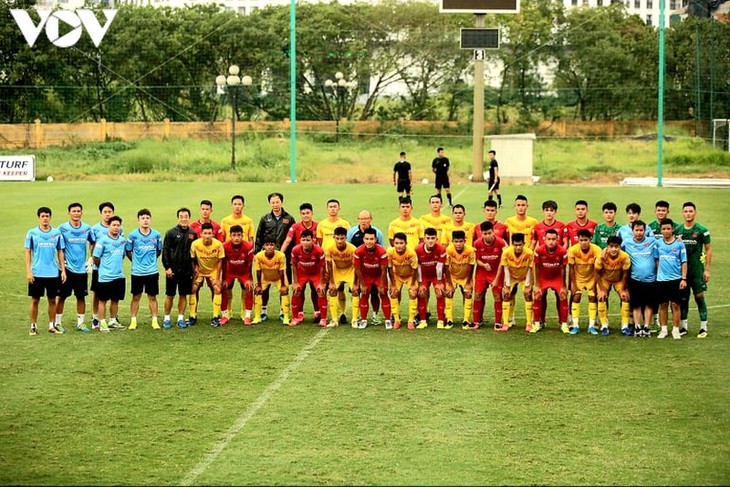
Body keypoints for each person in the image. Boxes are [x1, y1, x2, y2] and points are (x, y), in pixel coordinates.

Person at [25, 206, 66, 336]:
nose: (45, 218)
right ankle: (33, 325)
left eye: (47, 216)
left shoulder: (56, 233)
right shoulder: (32, 233)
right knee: (35, 300)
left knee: (52, 300)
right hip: (37, 272)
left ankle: (52, 325)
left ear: (50, 217)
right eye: (42, 216)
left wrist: (63, 270)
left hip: (53, 272)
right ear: (39, 218)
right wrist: (29, 271)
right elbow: (28, 252)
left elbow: (60, 251)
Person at [254, 192, 295, 321]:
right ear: (269, 204)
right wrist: (256, 252)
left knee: (283, 284)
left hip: (283, 257)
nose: (275, 205)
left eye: (277, 202)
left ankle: (283, 311)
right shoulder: (265, 219)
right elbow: (259, 236)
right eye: (273, 202)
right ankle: (263, 310)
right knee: (264, 285)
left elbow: (292, 239)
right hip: (267, 257)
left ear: (281, 202)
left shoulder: (289, 218)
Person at [56, 202, 95, 333]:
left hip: (81, 269)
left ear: (82, 213)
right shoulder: (62, 228)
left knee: (81, 296)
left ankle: (81, 323)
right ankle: (57, 323)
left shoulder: (87, 228)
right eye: (74, 211)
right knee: (62, 296)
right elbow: (58, 247)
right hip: (66, 269)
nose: (76, 213)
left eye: (79, 211)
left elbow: (93, 242)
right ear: (69, 213)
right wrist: (61, 264)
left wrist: (91, 259)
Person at [281, 202, 320, 322]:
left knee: (315, 289)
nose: (305, 215)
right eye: (303, 213)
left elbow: (321, 243)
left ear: (312, 213)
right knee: (299, 289)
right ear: (300, 214)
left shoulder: (318, 226)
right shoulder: (295, 227)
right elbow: (288, 240)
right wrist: (280, 255)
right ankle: (300, 313)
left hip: (315, 263)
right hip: (300, 264)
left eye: (308, 213)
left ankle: (317, 312)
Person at [678, 202, 711, 338]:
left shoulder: (702, 230)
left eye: (691, 211)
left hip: (697, 270)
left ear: (695, 212)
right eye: (686, 211)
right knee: (683, 298)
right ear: (682, 213)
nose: (688, 214)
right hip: (682, 272)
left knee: (699, 297)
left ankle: (703, 327)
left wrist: (707, 270)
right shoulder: (678, 230)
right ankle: (683, 327)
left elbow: (708, 250)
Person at [125, 209, 162, 330]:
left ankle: (154, 320)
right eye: (143, 218)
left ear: (150, 220)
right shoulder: (133, 235)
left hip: (152, 271)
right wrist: (136, 262)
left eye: (147, 218)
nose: (145, 220)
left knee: (152, 296)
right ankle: (133, 320)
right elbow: (128, 250)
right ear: (138, 220)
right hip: (137, 272)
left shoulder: (156, 235)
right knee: (136, 296)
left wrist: (151, 261)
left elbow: (159, 250)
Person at [621, 220, 658, 337]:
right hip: (635, 279)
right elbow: (617, 252)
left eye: (641, 230)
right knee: (636, 305)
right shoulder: (626, 243)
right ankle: (637, 327)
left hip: (651, 279)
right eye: (636, 230)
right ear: (632, 231)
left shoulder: (652, 241)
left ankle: (646, 327)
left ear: (645, 231)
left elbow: (664, 244)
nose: (639, 233)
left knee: (649, 305)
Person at [90, 202, 124, 329]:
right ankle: (95, 317)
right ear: (101, 213)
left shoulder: (120, 232)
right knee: (97, 294)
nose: (108, 214)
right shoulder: (95, 229)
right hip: (99, 268)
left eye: (110, 212)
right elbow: (93, 248)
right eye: (105, 212)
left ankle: (112, 319)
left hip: (115, 269)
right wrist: (98, 264)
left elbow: (121, 250)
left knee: (114, 296)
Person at [347, 209, 385, 324]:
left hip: (374, 269)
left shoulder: (377, 232)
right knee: (357, 291)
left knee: (374, 293)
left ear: (370, 219)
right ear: (358, 220)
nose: (364, 221)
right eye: (361, 219)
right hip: (358, 269)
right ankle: (358, 314)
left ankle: (375, 315)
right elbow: (349, 248)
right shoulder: (352, 232)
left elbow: (381, 251)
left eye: (366, 218)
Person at [161, 207, 197, 329]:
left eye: (186, 216)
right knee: (170, 295)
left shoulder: (193, 234)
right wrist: (167, 267)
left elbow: (195, 253)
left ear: (189, 218)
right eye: (181, 217)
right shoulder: (171, 233)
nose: (183, 219)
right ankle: (167, 318)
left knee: (183, 295)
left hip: (187, 270)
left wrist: (195, 267)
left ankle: (181, 318)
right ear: (178, 218)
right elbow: (165, 250)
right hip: (173, 270)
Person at [655, 219, 688, 340]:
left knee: (675, 305)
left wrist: (683, 278)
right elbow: (656, 259)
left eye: (668, 228)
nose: (666, 231)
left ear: (672, 229)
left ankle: (675, 329)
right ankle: (663, 330)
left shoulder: (680, 244)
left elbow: (684, 262)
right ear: (661, 230)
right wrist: (659, 274)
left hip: (676, 279)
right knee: (663, 305)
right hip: (662, 280)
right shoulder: (658, 243)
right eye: (663, 229)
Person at [353, 228, 392, 329]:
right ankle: (364, 320)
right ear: (363, 239)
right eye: (367, 239)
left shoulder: (382, 251)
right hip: (366, 275)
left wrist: (382, 284)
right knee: (364, 294)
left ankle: (387, 320)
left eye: (371, 239)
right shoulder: (358, 251)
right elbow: (357, 269)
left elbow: (384, 270)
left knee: (383, 294)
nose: (369, 242)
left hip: (379, 275)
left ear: (376, 239)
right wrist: (362, 284)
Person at [531, 228, 568, 334]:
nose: (551, 241)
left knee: (563, 295)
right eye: (548, 239)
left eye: (553, 239)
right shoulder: (538, 251)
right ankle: (537, 323)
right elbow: (537, 267)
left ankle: (564, 324)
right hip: (543, 278)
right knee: (538, 295)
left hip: (557, 278)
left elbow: (563, 269)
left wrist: (563, 286)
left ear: (557, 239)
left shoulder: (562, 251)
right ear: (544, 239)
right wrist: (537, 285)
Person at [189, 223, 225, 327]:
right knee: (193, 289)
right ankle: (192, 316)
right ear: (201, 234)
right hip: (200, 269)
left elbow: (219, 261)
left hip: (213, 270)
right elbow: (192, 259)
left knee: (217, 289)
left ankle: (215, 316)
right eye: (205, 233)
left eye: (209, 233)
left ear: (213, 234)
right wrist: (194, 270)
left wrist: (218, 278)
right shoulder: (195, 244)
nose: (207, 235)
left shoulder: (218, 245)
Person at [594, 236, 631, 335]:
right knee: (601, 297)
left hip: (618, 280)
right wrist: (601, 289)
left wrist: (623, 289)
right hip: (605, 279)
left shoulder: (624, 257)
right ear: (608, 247)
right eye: (611, 246)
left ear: (620, 247)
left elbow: (625, 274)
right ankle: (604, 325)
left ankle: (625, 326)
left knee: (625, 297)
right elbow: (596, 273)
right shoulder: (601, 256)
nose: (614, 249)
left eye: (616, 246)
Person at [567, 229, 602, 335]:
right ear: (578, 240)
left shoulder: (596, 250)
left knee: (592, 297)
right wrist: (573, 284)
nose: (583, 242)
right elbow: (571, 268)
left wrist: (596, 283)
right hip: (578, 278)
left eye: (585, 240)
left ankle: (592, 326)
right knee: (576, 297)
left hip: (592, 277)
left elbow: (598, 269)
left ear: (590, 239)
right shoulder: (573, 250)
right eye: (581, 240)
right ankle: (575, 325)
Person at [472, 221, 506, 329]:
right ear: (481, 233)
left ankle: (497, 322)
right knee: (478, 294)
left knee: (497, 295)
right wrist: (483, 264)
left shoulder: (501, 243)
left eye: (489, 233)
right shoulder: (477, 243)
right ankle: (477, 321)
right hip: (482, 272)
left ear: (493, 232)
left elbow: (504, 261)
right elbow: (476, 259)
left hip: (497, 271)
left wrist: (497, 278)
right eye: (485, 234)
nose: (487, 236)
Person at [290, 230, 327, 327]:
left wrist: (322, 283)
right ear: (300, 240)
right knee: (296, 290)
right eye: (303, 240)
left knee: (320, 291)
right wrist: (296, 282)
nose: (305, 242)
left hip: (316, 273)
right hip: (302, 273)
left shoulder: (319, 251)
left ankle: (323, 318)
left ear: (313, 240)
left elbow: (323, 267)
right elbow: (293, 265)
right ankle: (295, 318)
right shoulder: (295, 250)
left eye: (308, 240)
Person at [498, 233, 534, 332]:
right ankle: (506, 322)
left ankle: (529, 323)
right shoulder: (506, 253)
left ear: (524, 243)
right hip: (511, 276)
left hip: (524, 276)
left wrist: (527, 285)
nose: (518, 247)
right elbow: (505, 268)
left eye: (520, 245)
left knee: (528, 294)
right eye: (516, 245)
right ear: (512, 244)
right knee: (506, 294)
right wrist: (507, 286)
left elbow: (530, 269)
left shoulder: (529, 253)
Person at [221, 225, 255, 326]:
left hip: (243, 272)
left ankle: (247, 316)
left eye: (239, 235)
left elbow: (249, 264)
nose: (236, 238)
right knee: (223, 288)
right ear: (230, 236)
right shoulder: (224, 246)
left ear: (242, 236)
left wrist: (249, 279)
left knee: (249, 288)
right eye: (234, 235)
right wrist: (223, 278)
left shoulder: (248, 246)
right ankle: (225, 315)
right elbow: (223, 263)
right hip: (229, 272)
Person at [326, 227, 359, 328]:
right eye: (337, 238)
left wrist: (356, 283)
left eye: (342, 238)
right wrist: (331, 282)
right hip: (337, 270)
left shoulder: (353, 249)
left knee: (355, 291)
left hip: (350, 270)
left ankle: (354, 319)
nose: (339, 241)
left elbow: (357, 266)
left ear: (346, 238)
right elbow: (329, 264)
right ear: (334, 237)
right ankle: (335, 319)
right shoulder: (330, 248)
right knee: (332, 291)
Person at [253, 237, 290, 326]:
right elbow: (258, 271)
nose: (269, 247)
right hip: (265, 277)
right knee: (257, 291)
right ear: (264, 246)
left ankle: (285, 316)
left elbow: (282, 271)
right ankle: (258, 316)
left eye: (272, 245)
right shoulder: (258, 256)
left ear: (275, 247)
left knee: (284, 291)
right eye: (267, 245)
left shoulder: (281, 256)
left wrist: (283, 285)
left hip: (278, 278)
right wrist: (258, 285)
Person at [415, 227, 447, 329]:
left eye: (432, 238)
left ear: (436, 239)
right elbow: (418, 267)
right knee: (422, 293)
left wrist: (438, 283)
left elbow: (439, 267)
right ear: (424, 239)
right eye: (428, 238)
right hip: (424, 275)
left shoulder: (441, 249)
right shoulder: (417, 249)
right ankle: (423, 320)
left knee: (439, 293)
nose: (430, 241)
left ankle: (441, 321)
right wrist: (420, 283)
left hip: (436, 275)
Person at [444, 230, 476, 330]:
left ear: (465, 241)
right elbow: (446, 267)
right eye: (456, 241)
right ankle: (449, 320)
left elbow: (471, 266)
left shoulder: (470, 251)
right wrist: (449, 283)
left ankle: (466, 320)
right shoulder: (449, 250)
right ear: (452, 241)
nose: (458, 244)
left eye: (460, 241)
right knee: (449, 293)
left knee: (468, 293)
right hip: (453, 276)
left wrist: (468, 282)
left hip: (466, 276)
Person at [387, 232, 419, 330]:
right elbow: (389, 268)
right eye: (396, 243)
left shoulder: (411, 253)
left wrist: (413, 284)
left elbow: (415, 269)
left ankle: (411, 320)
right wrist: (392, 283)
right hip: (397, 276)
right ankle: (396, 320)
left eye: (401, 243)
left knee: (413, 293)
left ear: (406, 243)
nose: (399, 246)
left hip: (410, 276)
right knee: (393, 293)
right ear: (394, 243)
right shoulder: (390, 252)